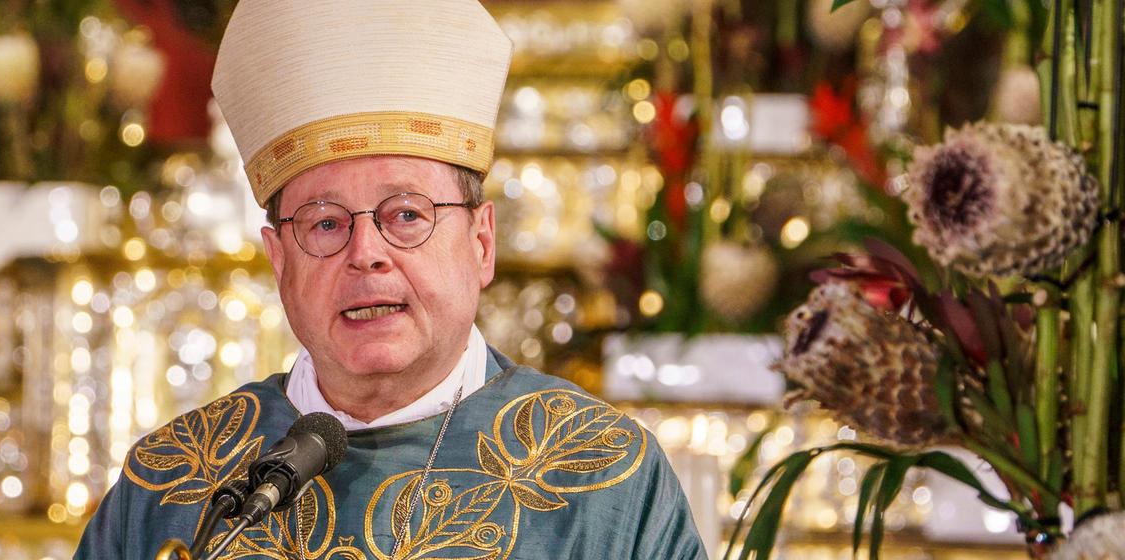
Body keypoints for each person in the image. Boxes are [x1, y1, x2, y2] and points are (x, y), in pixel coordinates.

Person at [76, 1, 708, 558]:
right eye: (325, 225)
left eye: (406, 215)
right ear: (278, 260)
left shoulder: (599, 475)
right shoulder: (178, 484)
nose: (366, 254)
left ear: (481, 243)